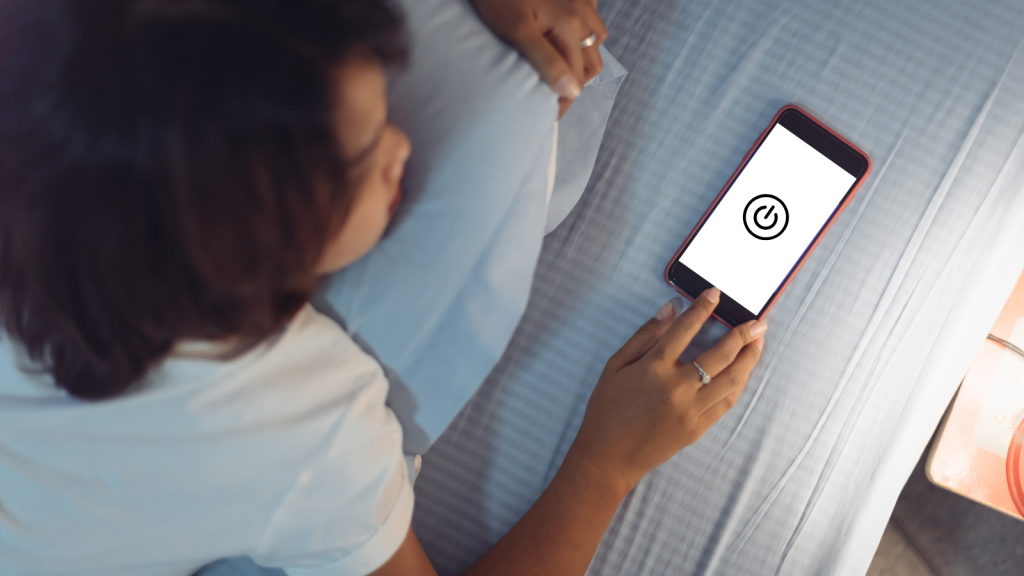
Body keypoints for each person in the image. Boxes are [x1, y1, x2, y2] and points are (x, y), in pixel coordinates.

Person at [0, 1, 767, 575]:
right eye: (368, 158)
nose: (404, 146)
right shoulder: (298, 428)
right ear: (261, 253)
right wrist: (608, 465)